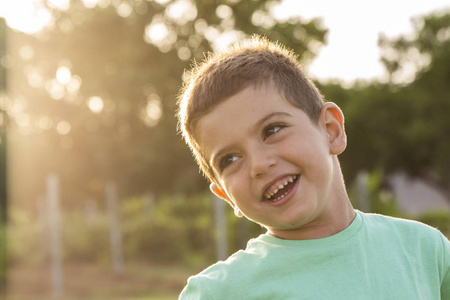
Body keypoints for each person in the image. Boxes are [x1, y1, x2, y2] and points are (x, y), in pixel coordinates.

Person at [176, 35, 450, 299]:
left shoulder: (425, 250)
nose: (259, 165)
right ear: (225, 195)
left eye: (272, 130)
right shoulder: (217, 293)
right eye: (230, 159)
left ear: (331, 130)